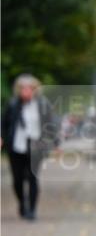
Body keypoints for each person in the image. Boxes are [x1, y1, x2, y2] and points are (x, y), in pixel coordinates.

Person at [1, 74, 59, 220]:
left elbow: (50, 124)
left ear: (35, 89)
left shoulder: (42, 104)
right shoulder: (13, 104)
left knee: (33, 178)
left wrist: (55, 143)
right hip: (16, 146)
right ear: (18, 90)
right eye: (23, 88)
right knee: (17, 179)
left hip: (35, 146)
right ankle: (22, 203)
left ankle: (32, 210)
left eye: (29, 88)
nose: (26, 91)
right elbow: (3, 123)